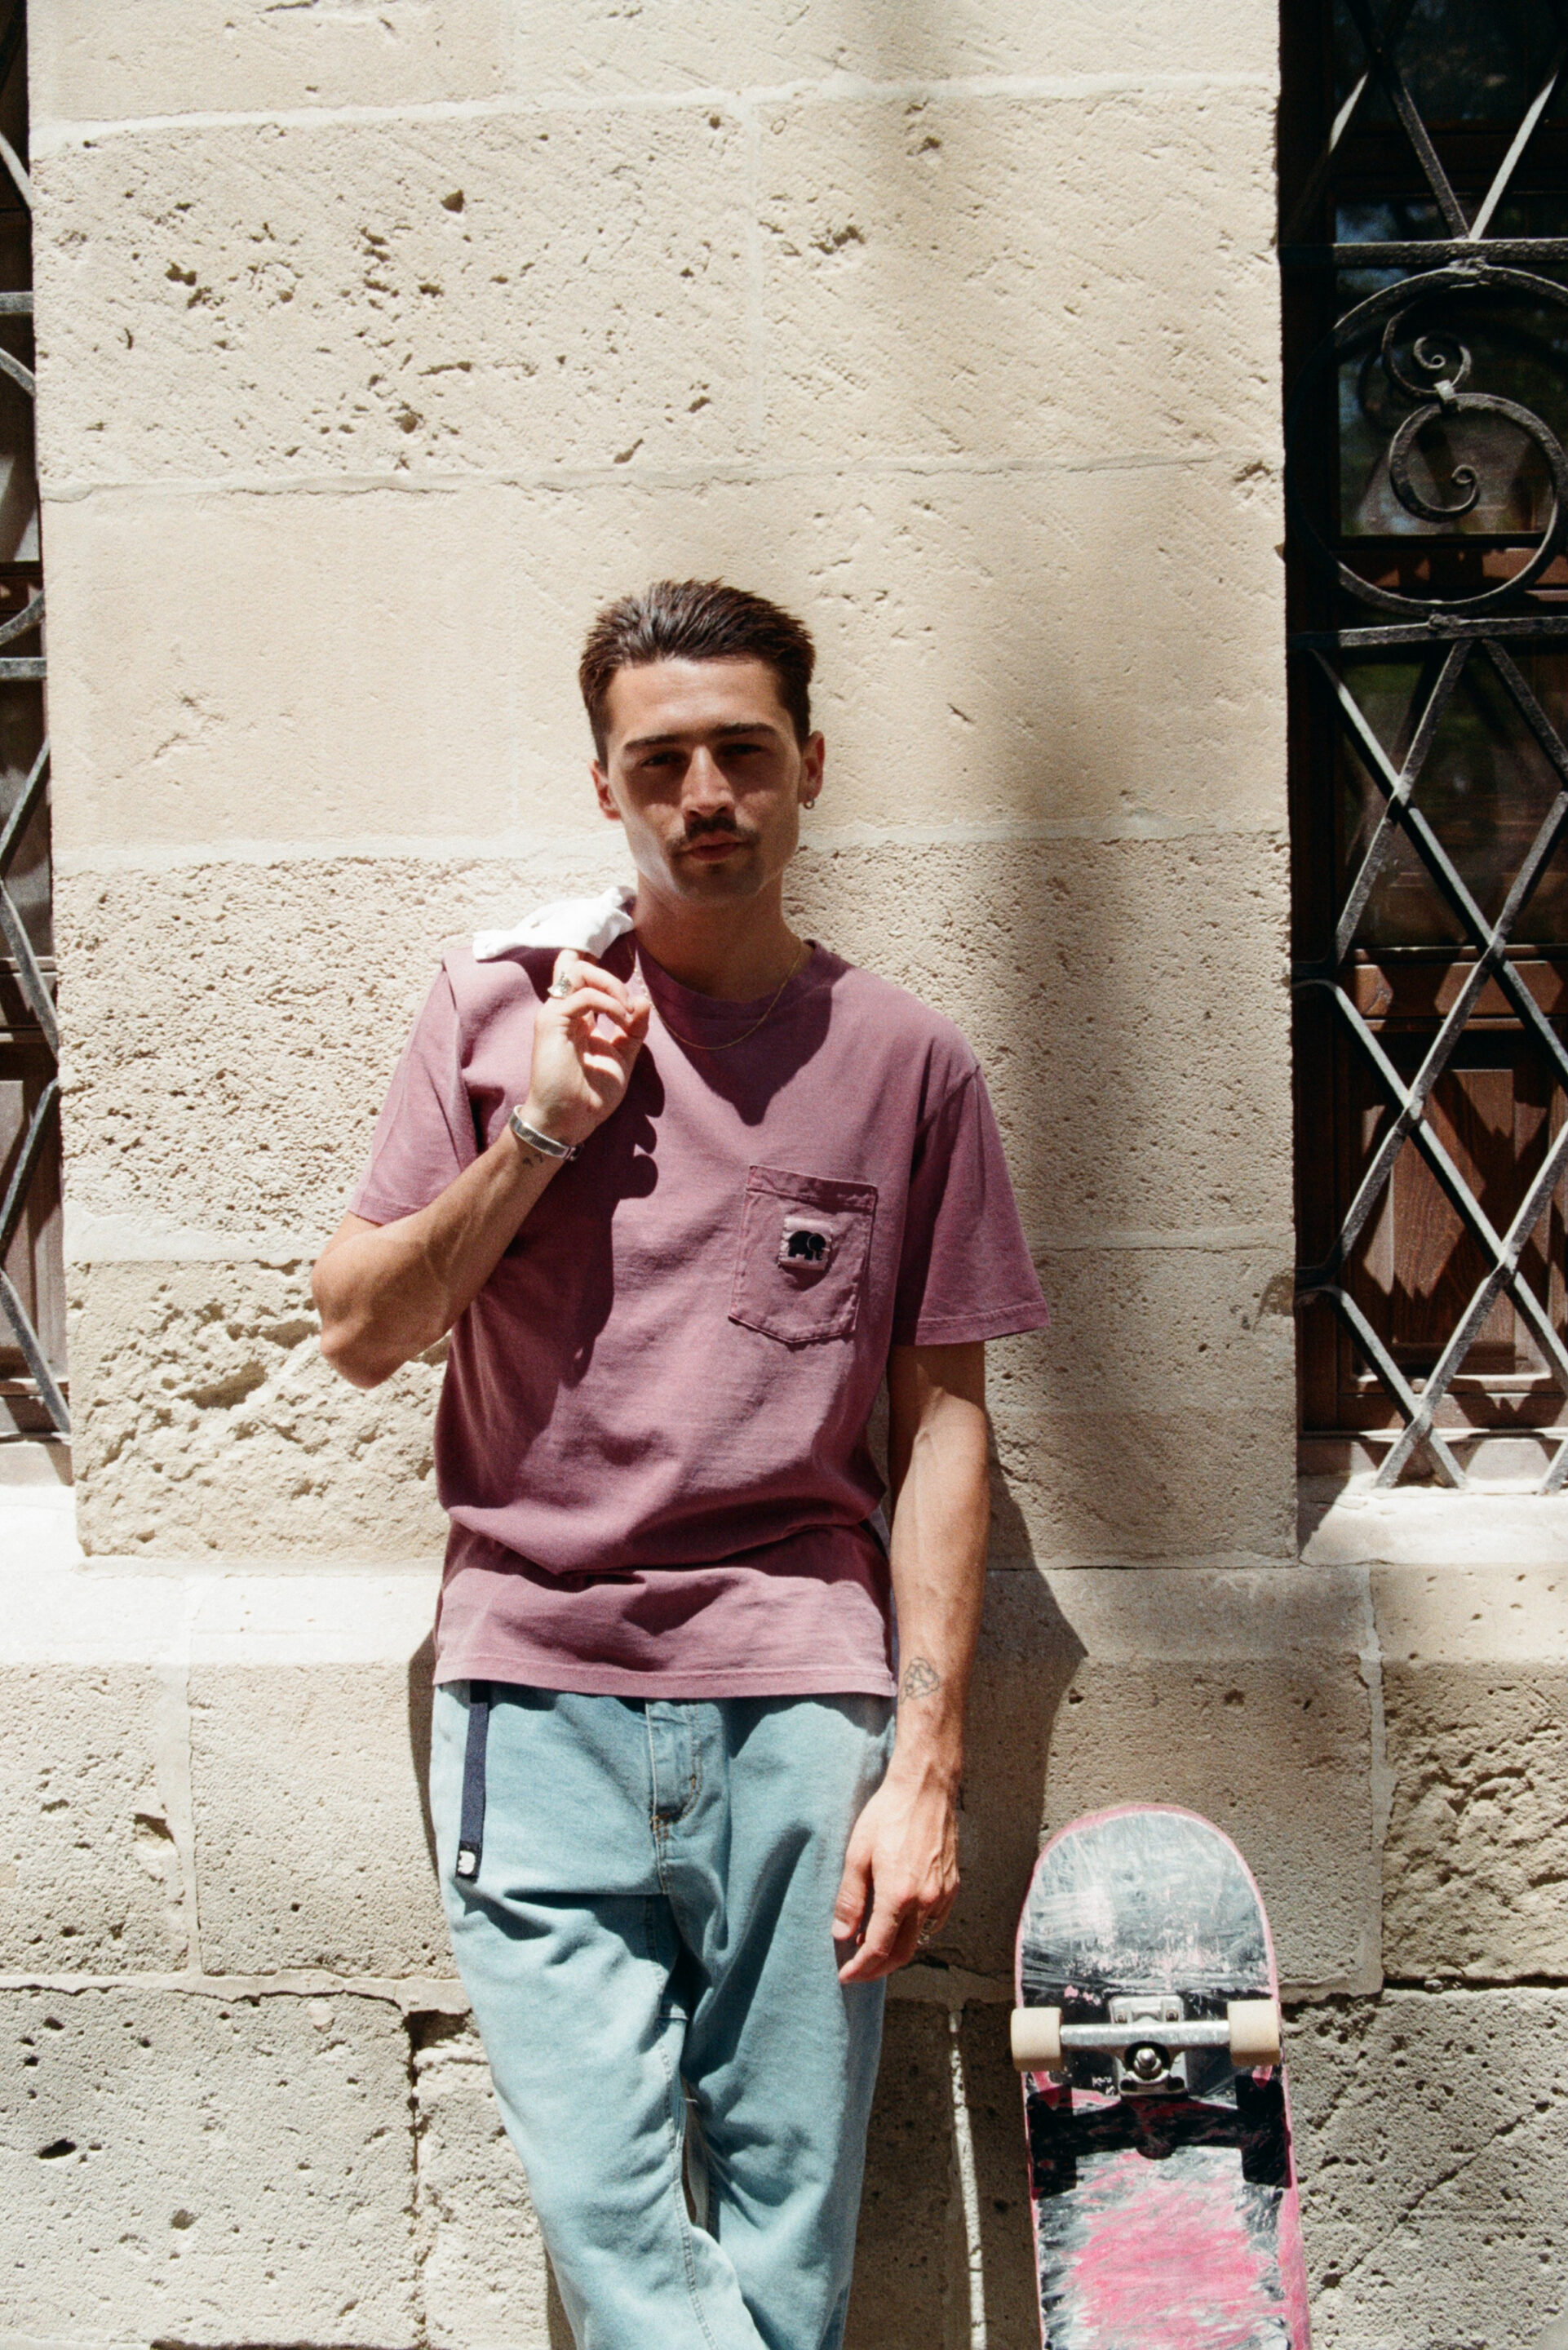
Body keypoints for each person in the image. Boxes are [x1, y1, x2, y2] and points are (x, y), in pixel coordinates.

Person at [312, 579, 1048, 2350]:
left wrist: (925, 1767)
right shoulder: (494, 1012)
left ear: (809, 767)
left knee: (790, 2232)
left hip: (799, 1702)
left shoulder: (907, 1063)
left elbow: (943, 1425)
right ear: (604, 786)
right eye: (661, 762)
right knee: (611, 2221)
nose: (704, 794)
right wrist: (539, 1132)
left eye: (741, 752)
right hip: (532, 1691)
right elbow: (359, 1328)